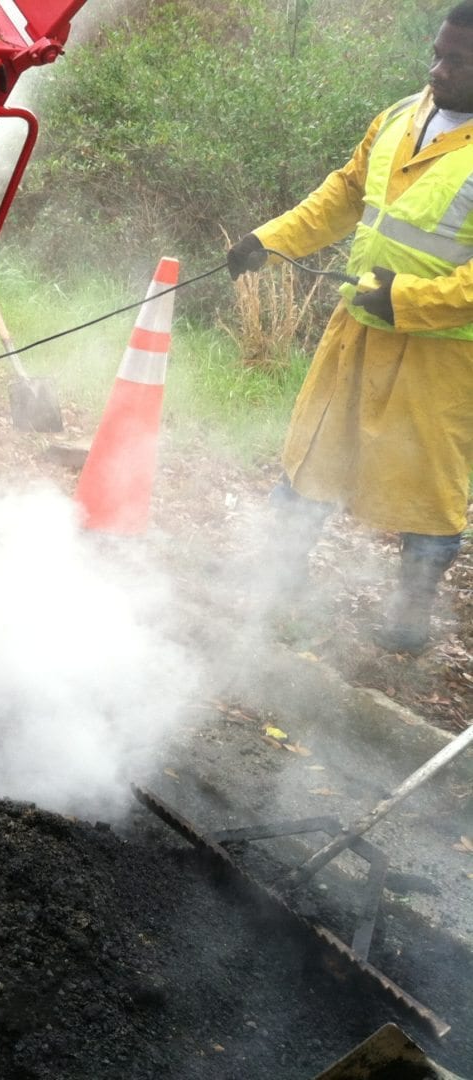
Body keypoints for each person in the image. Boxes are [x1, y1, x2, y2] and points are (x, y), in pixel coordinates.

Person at [227, 2, 473, 653]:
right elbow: (343, 193)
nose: (437, 68)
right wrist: (269, 241)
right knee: (315, 451)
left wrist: (407, 301)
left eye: (455, 60)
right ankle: (279, 578)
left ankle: (410, 615)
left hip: (440, 355)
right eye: (437, 52)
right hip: (357, 327)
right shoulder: (401, 114)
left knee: (429, 488)